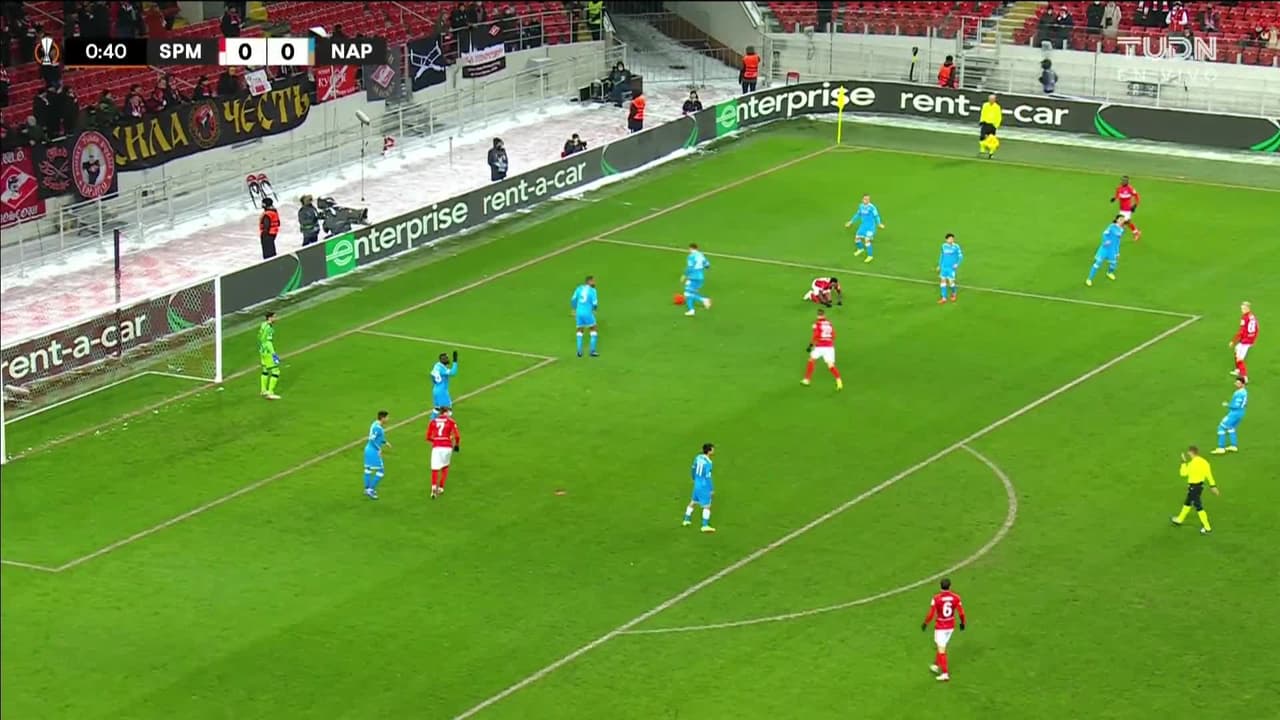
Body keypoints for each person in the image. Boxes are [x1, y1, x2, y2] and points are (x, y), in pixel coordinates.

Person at [922, 578, 966, 682]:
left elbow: (931, 614)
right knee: (941, 645)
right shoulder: (956, 597)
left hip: (941, 627)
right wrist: (962, 623)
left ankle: (945, 674)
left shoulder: (936, 598)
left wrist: (925, 623)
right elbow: (961, 613)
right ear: (950, 586)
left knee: (941, 649)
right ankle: (936, 665)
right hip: (950, 626)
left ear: (940, 586)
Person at [1171, 446, 1218, 533]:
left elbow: (1183, 473)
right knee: (1187, 503)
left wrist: (1183, 462)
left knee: (1198, 506)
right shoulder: (1205, 462)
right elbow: (1209, 475)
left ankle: (1207, 527)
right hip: (1200, 487)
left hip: (1193, 488)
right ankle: (1180, 519)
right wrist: (1213, 486)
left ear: (1190, 452)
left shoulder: (1192, 464)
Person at [803, 308, 843, 389]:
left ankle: (807, 380)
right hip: (829, 347)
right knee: (831, 365)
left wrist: (810, 345)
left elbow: (815, 335)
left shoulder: (816, 324)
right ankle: (839, 381)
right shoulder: (829, 323)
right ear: (824, 315)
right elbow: (834, 335)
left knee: (811, 360)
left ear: (817, 315)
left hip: (820, 346)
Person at [425, 408, 461, 498]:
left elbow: (428, 437)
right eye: (448, 412)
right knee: (445, 466)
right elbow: (457, 435)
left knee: (435, 468)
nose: (449, 414)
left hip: (437, 446)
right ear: (444, 412)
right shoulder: (451, 421)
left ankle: (433, 488)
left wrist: (436, 440)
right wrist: (456, 445)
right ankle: (441, 487)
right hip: (447, 447)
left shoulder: (433, 421)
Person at [682, 443, 716, 533]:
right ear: (709, 451)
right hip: (704, 485)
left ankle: (686, 520)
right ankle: (705, 525)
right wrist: (711, 489)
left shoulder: (698, 457)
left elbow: (693, 468)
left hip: (697, 483)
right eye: (712, 449)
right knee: (707, 506)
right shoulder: (709, 462)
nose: (713, 451)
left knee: (693, 502)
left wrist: (693, 478)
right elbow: (708, 477)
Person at [845, 194, 884, 263]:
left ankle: (870, 256)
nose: (866, 200)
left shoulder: (872, 207)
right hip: (863, 226)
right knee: (857, 238)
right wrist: (851, 222)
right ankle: (861, 249)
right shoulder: (861, 206)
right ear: (862, 199)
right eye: (865, 199)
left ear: (869, 200)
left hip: (870, 227)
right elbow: (857, 215)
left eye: (867, 199)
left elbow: (876, 216)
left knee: (867, 240)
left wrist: (879, 223)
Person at [1085, 215, 1124, 286]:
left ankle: (1109, 273)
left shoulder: (1121, 230)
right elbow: (1104, 234)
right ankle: (1089, 279)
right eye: (1120, 219)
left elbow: (1118, 242)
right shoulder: (1111, 226)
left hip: (1112, 250)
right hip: (1105, 249)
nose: (1122, 221)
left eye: (1123, 219)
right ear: (1117, 220)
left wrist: (1117, 252)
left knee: (1113, 264)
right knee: (1098, 263)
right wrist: (1105, 241)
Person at [1212, 377, 1248, 454]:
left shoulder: (1240, 393)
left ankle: (1221, 448)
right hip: (1241, 413)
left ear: (1243, 384)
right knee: (1231, 428)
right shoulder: (1244, 392)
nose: (1236, 384)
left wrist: (1227, 405)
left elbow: (1236, 406)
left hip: (1235, 413)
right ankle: (1233, 446)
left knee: (1221, 427)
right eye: (1236, 382)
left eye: (1238, 383)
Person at [362, 410, 390, 500]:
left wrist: (385, 442)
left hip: (368, 449)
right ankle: (371, 489)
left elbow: (377, 437)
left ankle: (367, 489)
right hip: (373, 451)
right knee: (381, 472)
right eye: (387, 417)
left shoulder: (374, 424)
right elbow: (372, 439)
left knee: (368, 470)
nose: (388, 419)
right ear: (382, 418)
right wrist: (379, 449)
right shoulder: (378, 428)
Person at [1229, 301, 1258, 382]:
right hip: (1250, 339)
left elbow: (1241, 331)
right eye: (1241, 308)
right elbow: (1257, 328)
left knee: (1239, 359)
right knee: (1236, 349)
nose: (1242, 310)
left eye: (1243, 308)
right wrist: (1253, 339)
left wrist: (1233, 341)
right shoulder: (1252, 316)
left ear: (1247, 308)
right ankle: (1238, 370)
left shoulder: (1244, 318)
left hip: (1245, 340)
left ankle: (1245, 377)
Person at [571, 275, 599, 357]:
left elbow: (573, 299)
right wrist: (594, 310)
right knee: (593, 329)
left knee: (579, 330)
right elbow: (595, 303)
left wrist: (573, 309)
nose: (594, 282)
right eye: (593, 281)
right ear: (589, 282)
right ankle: (592, 351)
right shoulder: (593, 290)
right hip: (587, 313)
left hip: (579, 312)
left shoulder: (579, 288)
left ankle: (579, 352)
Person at [681, 242, 712, 316]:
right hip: (700, 277)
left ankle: (704, 300)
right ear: (697, 248)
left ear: (690, 248)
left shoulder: (691, 256)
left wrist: (684, 275)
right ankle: (691, 310)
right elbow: (707, 265)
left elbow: (690, 267)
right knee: (691, 293)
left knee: (687, 293)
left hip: (693, 277)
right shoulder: (701, 255)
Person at [1110, 175, 1142, 239]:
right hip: (1121, 209)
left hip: (1127, 210)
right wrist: (1114, 198)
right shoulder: (1119, 188)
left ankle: (1120, 232)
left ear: (1127, 181)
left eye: (1125, 180)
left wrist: (1135, 205)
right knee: (1127, 222)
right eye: (1122, 180)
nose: (1123, 181)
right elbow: (1117, 195)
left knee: (1118, 221)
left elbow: (1137, 197)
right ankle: (1136, 232)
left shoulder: (1130, 188)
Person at [258, 311, 281, 400]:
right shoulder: (269, 329)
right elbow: (268, 342)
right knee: (276, 371)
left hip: (262, 351)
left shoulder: (263, 325)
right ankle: (270, 393)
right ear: (270, 318)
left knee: (265, 370)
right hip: (268, 352)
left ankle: (263, 390)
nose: (276, 318)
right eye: (274, 317)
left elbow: (259, 338)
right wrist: (273, 354)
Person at [430, 351, 459, 419]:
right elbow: (453, 372)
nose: (447, 359)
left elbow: (432, 375)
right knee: (447, 409)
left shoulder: (437, 365)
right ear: (442, 360)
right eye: (446, 358)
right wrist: (455, 361)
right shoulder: (442, 368)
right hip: (442, 391)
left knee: (437, 408)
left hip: (435, 390)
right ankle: (445, 425)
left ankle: (432, 423)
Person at [937, 233, 964, 304]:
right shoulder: (943, 246)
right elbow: (941, 256)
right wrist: (939, 265)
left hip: (951, 268)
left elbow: (961, 256)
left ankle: (954, 293)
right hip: (944, 267)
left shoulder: (956, 246)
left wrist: (957, 264)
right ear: (946, 239)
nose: (951, 240)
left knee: (951, 282)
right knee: (943, 281)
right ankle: (944, 298)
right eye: (950, 239)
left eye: (952, 238)